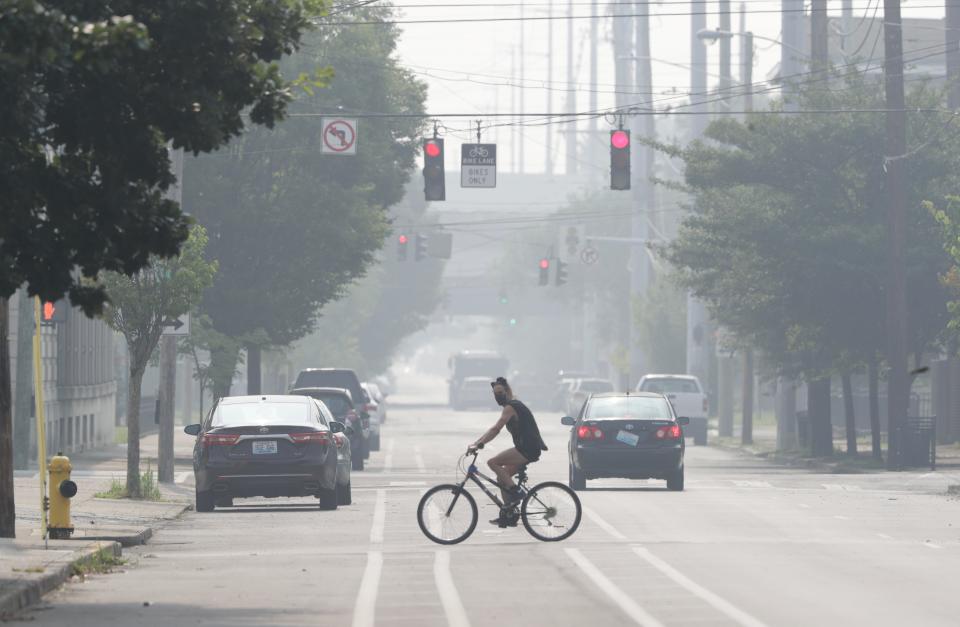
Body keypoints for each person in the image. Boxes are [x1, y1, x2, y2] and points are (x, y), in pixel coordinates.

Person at [467, 377, 548, 527]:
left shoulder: (511, 407)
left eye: (500, 392)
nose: (497, 396)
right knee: (501, 478)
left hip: (528, 449)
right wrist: (476, 443)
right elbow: (493, 429)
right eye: (495, 393)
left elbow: (496, 429)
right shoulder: (511, 406)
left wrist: (479, 444)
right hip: (526, 448)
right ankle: (508, 514)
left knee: (493, 462)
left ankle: (516, 492)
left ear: (507, 391)